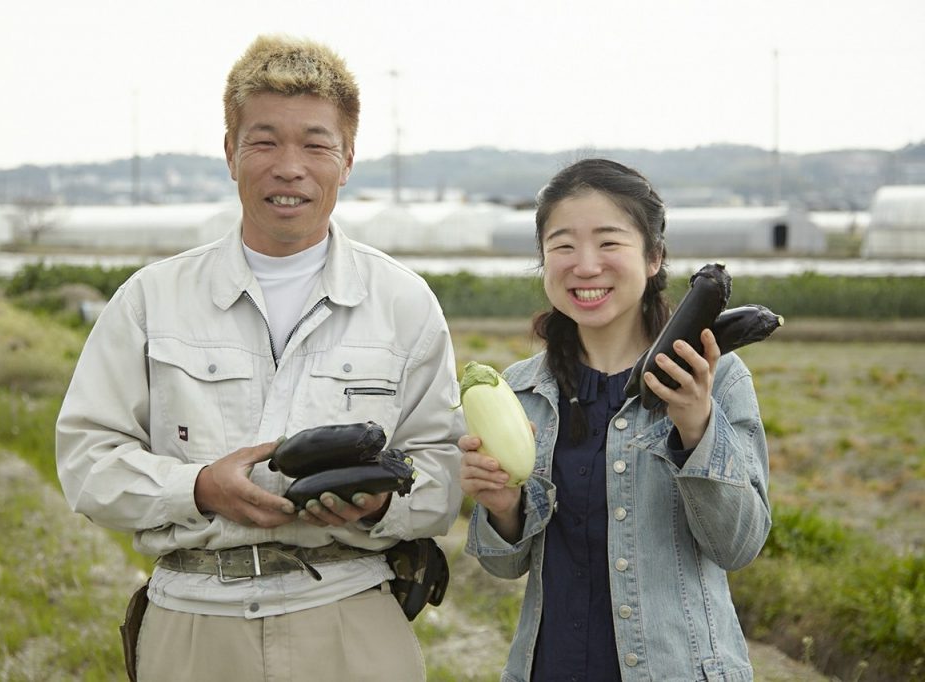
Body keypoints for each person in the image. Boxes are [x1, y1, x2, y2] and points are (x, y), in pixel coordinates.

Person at [55, 34, 463, 682]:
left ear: (348, 158)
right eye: (265, 141)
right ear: (231, 153)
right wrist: (197, 488)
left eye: (316, 144)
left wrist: (381, 506)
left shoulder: (403, 304)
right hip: (192, 622)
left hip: (350, 613)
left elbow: (443, 468)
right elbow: (85, 460)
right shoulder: (150, 300)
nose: (289, 166)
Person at [459, 158, 771, 681]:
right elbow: (504, 564)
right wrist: (501, 507)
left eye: (609, 242)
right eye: (562, 246)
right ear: (543, 260)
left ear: (654, 257)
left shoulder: (718, 378)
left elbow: (738, 546)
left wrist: (697, 425)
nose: (584, 265)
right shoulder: (517, 391)